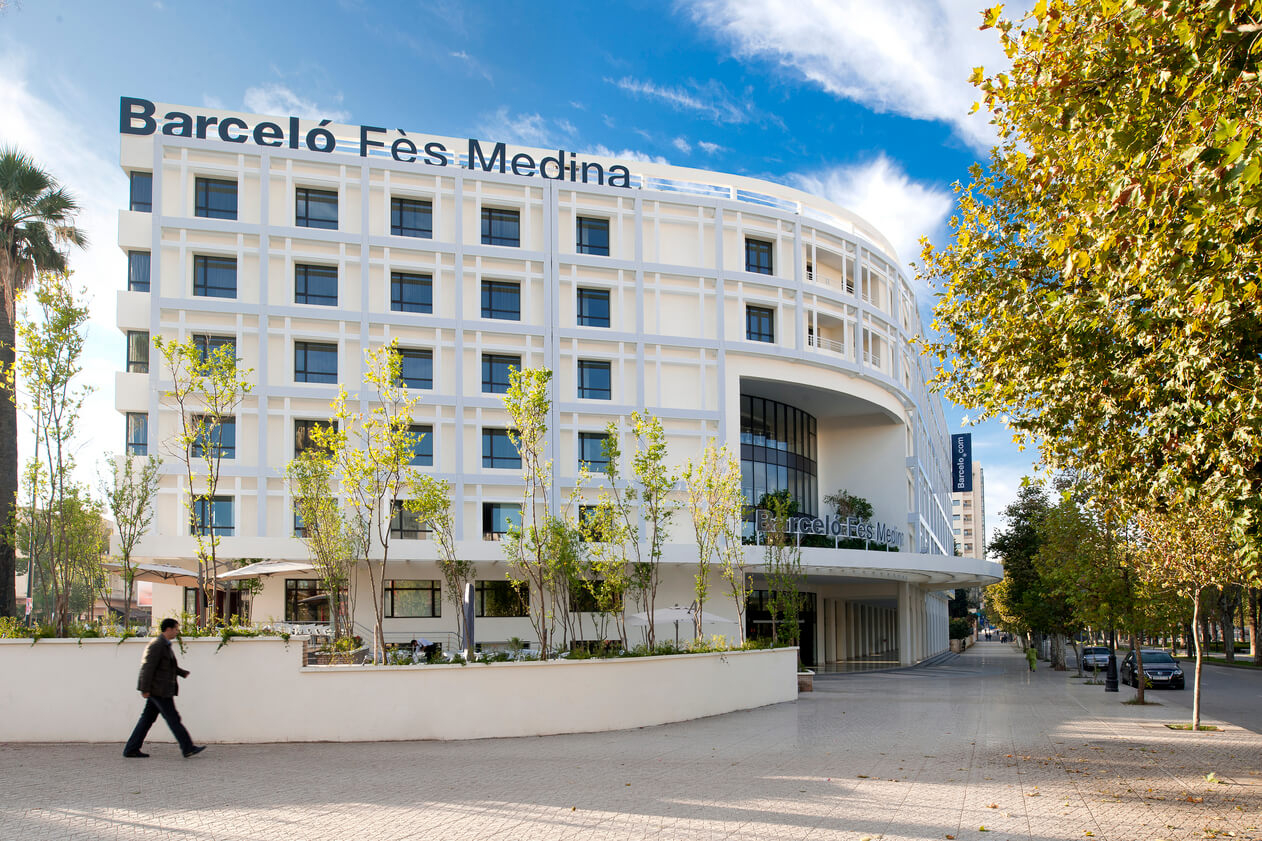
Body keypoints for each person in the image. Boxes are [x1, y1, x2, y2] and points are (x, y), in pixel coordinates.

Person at [123, 618, 206, 759]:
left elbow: (168, 666)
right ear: (168, 629)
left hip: (159, 689)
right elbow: (147, 667)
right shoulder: (157, 645)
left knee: (147, 719)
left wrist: (182, 673)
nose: (176, 632)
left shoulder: (164, 645)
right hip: (159, 690)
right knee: (173, 719)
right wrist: (144, 689)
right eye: (175, 629)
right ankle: (187, 747)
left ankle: (131, 748)